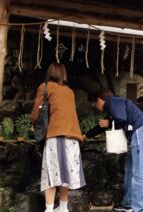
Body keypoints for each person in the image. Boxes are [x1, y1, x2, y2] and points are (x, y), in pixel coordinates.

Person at [87, 90, 143, 212]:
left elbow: (121, 119)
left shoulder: (112, 102)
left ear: (99, 100)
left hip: (141, 133)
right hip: (139, 135)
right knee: (130, 171)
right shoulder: (113, 107)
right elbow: (101, 126)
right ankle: (128, 205)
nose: (94, 107)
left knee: (139, 174)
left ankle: (139, 209)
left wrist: (109, 122)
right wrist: (86, 135)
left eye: (93, 104)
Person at [31, 63, 85, 212]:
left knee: (51, 173)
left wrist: (33, 124)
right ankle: (62, 208)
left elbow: (36, 111)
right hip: (73, 137)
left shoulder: (46, 87)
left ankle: (49, 210)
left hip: (57, 135)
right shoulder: (69, 91)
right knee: (65, 174)